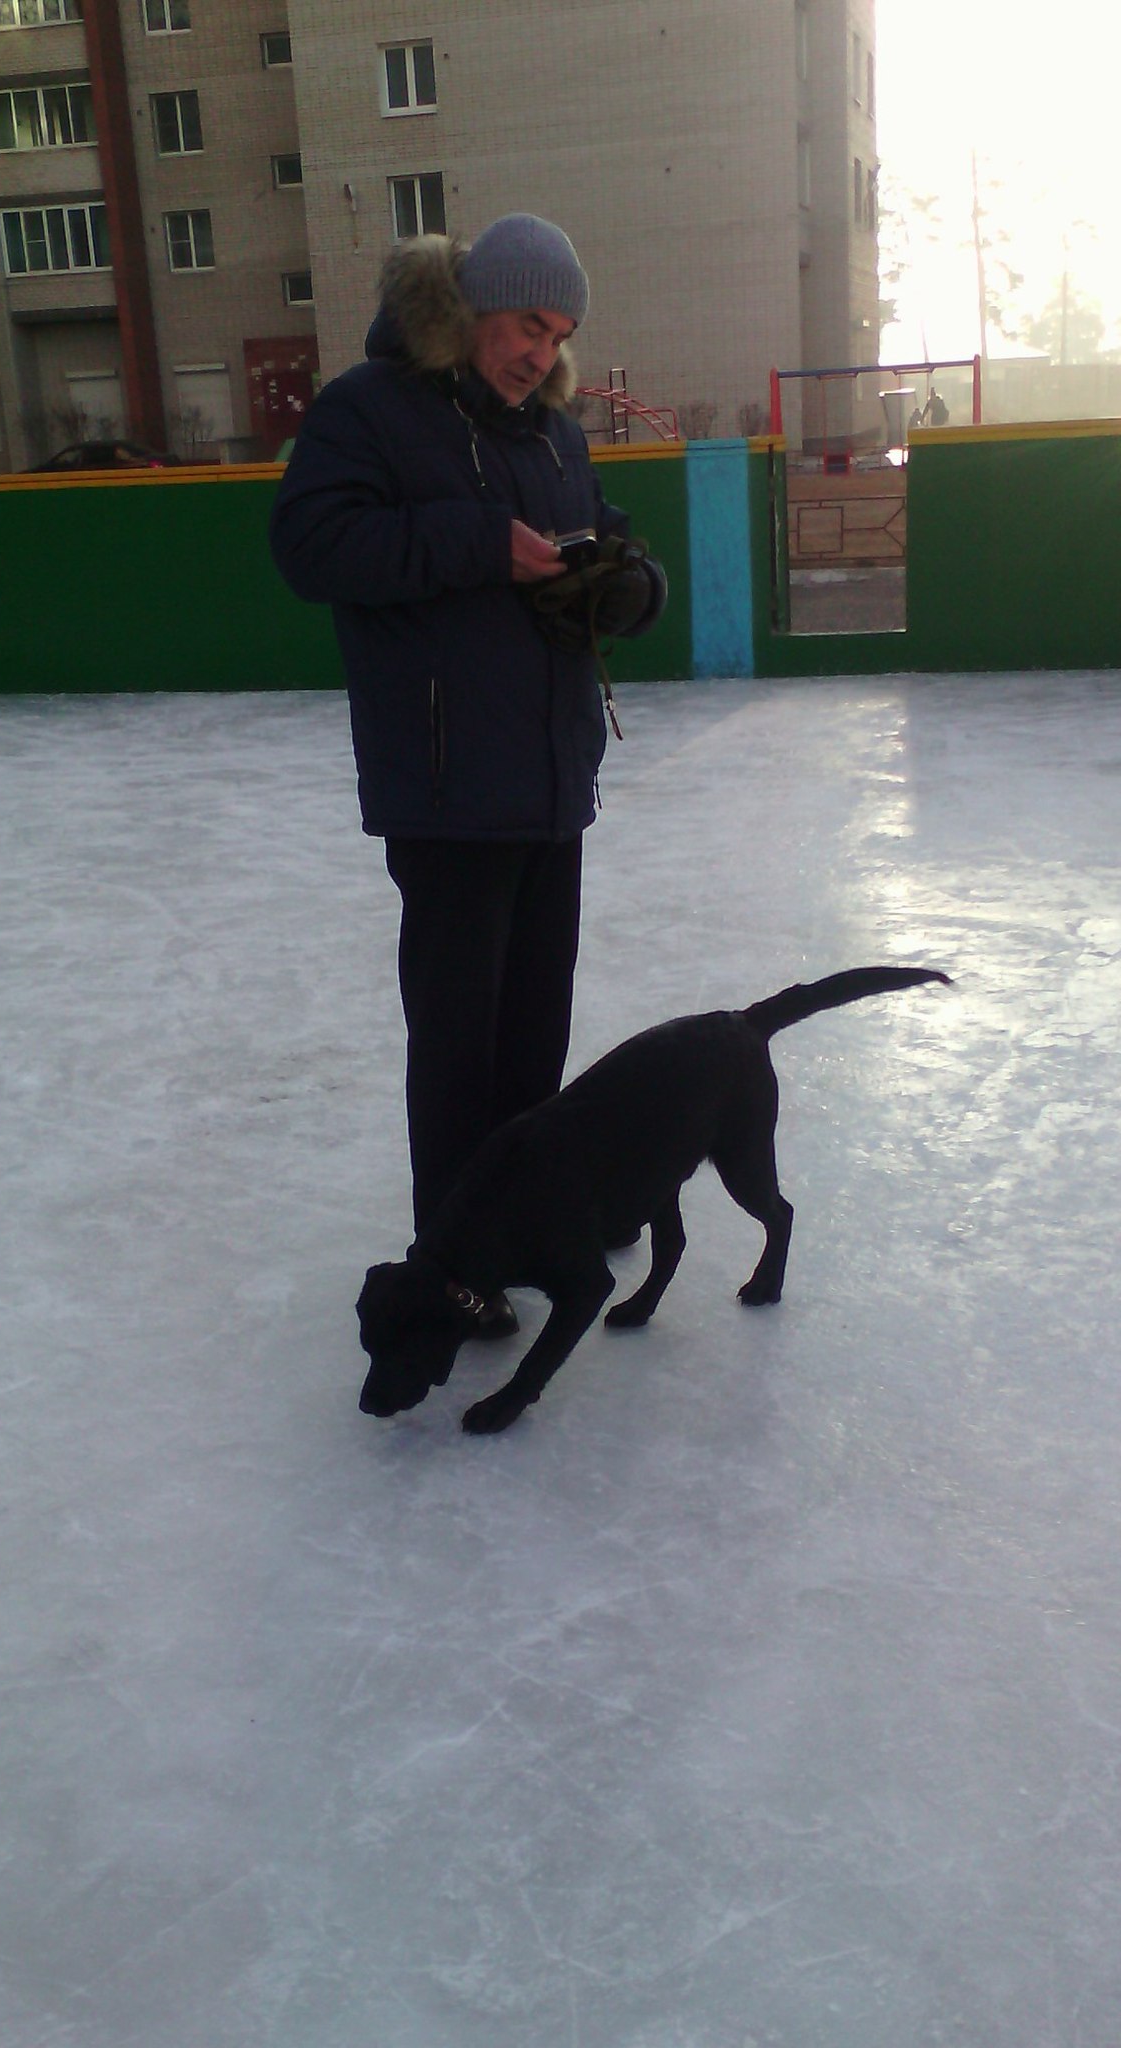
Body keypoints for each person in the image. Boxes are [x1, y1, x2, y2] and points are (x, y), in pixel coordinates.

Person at [270, 213, 666, 1329]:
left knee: (533, 1035)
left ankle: (522, 1228)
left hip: (548, 785)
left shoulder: (550, 434)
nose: (540, 352)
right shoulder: (369, 409)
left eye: (558, 334)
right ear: (472, 307)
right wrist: (477, 542)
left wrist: (630, 588)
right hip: (445, 791)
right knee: (458, 1050)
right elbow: (309, 545)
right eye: (526, 324)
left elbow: (615, 536)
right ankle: (449, 1261)